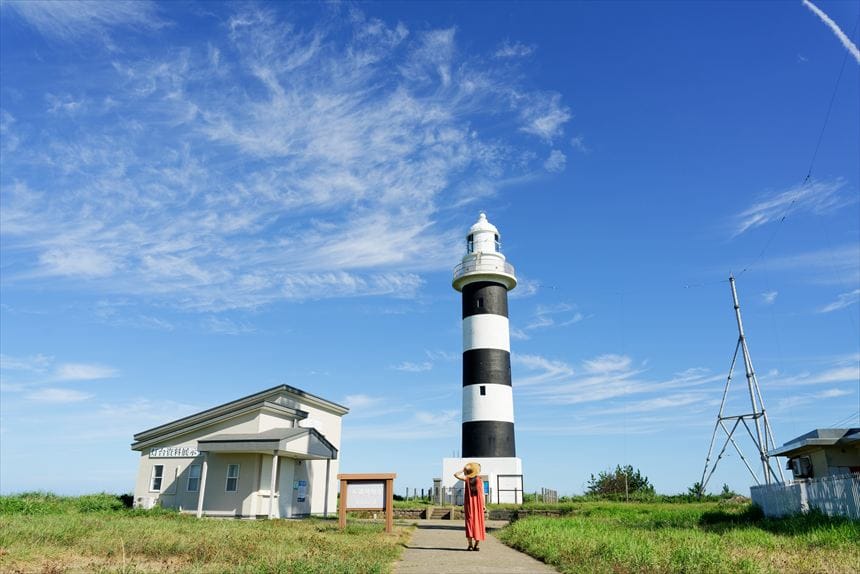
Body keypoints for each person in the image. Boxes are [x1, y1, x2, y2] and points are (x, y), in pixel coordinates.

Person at [453, 462, 486, 551]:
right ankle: (476, 545)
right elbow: (482, 494)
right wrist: (484, 505)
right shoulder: (480, 480)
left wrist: (463, 470)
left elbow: (455, 474)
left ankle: (470, 545)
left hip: (469, 505)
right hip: (478, 504)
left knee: (469, 523)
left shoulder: (466, 479)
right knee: (478, 523)